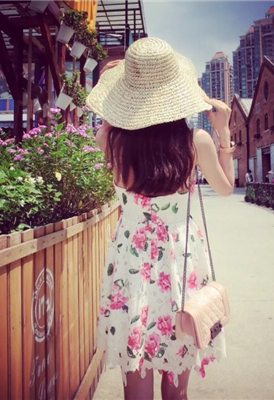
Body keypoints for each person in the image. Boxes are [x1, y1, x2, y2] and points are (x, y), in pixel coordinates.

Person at [86, 37, 234, 400]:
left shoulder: (111, 141)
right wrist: (224, 133)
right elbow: (226, 188)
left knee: (136, 370)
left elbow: (106, 124)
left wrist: (113, 93)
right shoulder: (196, 140)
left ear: (128, 94)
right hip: (179, 261)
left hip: (130, 262)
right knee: (177, 372)